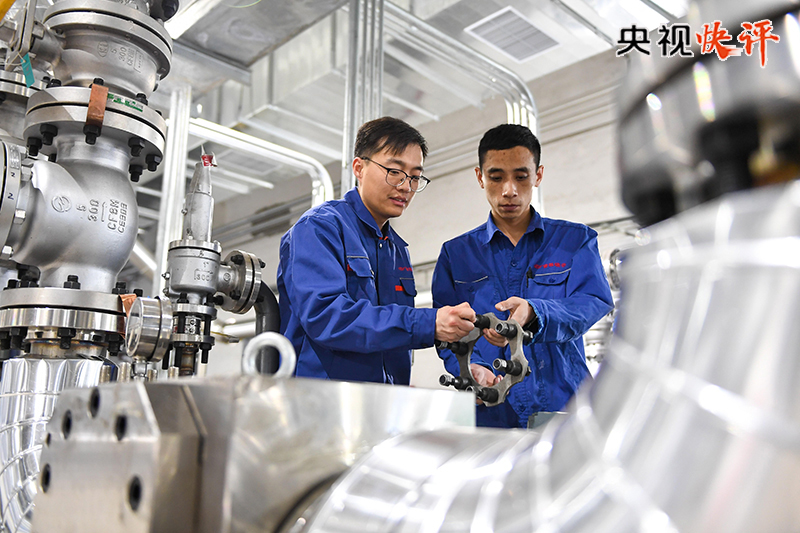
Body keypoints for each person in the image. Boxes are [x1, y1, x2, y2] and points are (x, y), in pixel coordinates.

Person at [431, 124, 614, 428]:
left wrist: (535, 312)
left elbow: (592, 301)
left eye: (521, 176)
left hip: (564, 408)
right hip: (491, 414)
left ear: (538, 175)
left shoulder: (575, 241)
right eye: (496, 177)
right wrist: (471, 368)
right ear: (480, 177)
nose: (509, 190)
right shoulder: (456, 255)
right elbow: (447, 332)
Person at [278, 116, 476, 385]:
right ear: (359, 168)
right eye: (394, 171)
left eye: (415, 177)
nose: (405, 187)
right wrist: (427, 324)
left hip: (381, 401)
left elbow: (391, 338)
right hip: (320, 400)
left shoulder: (397, 250)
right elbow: (327, 318)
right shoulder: (319, 228)